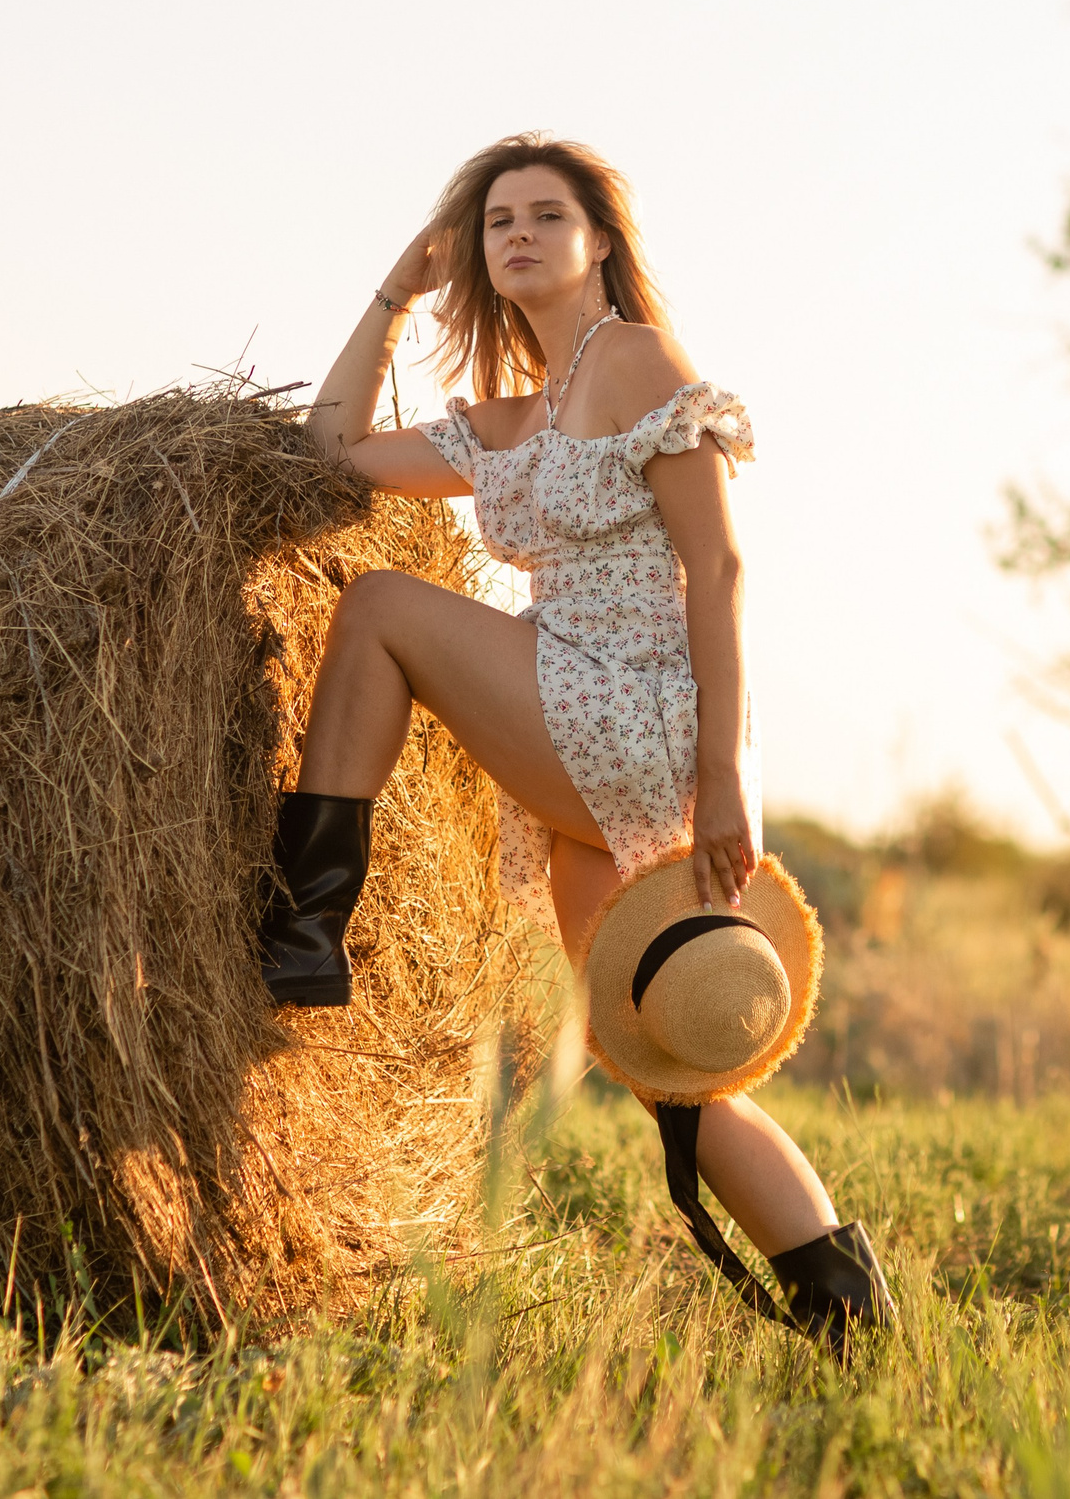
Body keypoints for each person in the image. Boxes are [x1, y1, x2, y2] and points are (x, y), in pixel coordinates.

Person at [256, 132, 892, 1349]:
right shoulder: (514, 418)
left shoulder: (640, 360)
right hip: (569, 730)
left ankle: (305, 921)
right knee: (662, 1052)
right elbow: (329, 450)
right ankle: (841, 1301)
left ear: (600, 241)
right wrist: (394, 290)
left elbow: (719, 565)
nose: (520, 235)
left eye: (548, 215)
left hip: (638, 713)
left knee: (383, 606)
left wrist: (728, 776)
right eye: (498, 222)